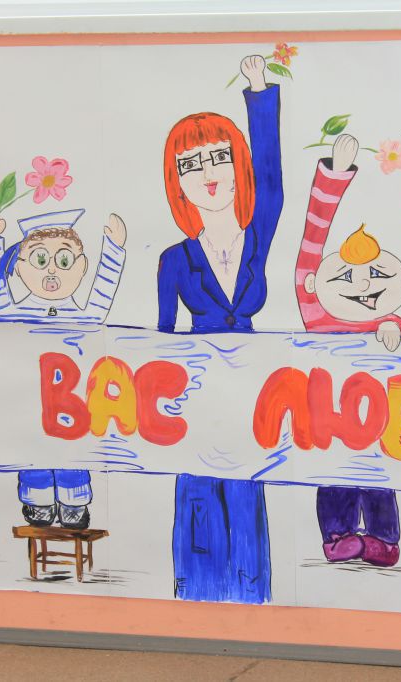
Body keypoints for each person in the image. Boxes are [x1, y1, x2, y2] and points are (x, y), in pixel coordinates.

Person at [157, 55, 282, 604]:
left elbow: (273, 178)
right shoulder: (174, 259)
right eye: (190, 165)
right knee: (199, 491)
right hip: (196, 385)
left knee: (247, 487)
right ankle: (199, 589)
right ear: (178, 183)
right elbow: (159, 341)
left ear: (237, 165)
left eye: (218, 158)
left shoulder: (258, 236)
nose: (207, 174)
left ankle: (251, 590)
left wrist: (259, 93)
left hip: (251, 385)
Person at [296, 133, 401, 567]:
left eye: (377, 274)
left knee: (380, 473)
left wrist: (392, 328)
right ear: (314, 283)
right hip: (330, 424)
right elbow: (311, 247)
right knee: (334, 473)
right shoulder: (318, 314)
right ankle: (338, 535)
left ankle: (384, 537)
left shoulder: (393, 322)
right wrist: (332, 177)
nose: (363, 282)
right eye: (346, 276)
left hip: (382, 425)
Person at [0, 205, 127, 529]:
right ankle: (38, 501)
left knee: (73, 451)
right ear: (20, 266)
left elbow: (103, 294)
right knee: (32, 448)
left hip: (72, 406)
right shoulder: (12, 313)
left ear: (81, 266)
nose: (51, 272)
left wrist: (114, 250)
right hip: (31, 402)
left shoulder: (85, 315)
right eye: (39, 260)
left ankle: (74, 501)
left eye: (63, 261)